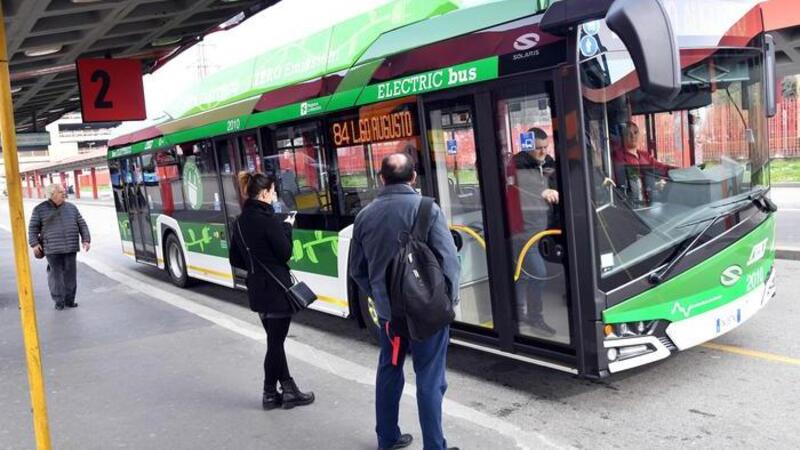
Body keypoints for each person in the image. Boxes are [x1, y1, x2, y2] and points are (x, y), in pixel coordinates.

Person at [350, 153, 460, 450]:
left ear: (381, 178)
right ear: (414, 178)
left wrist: (380, 297)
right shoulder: (428, 209)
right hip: (428, 313)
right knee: (430, 377)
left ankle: (387, 438)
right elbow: (450, 262)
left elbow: (356, 271)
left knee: (390, 368)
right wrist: (449, 301)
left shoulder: (364, 216)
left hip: (390, 318)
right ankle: (434, 446)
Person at [228, 171, 314, 411]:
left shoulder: (241, 221)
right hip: (277, 290)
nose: (275, 195)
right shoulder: (269, 220)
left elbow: (235, 257)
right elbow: (285, 253)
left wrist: (256, 266)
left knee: (275, 341)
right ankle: (268, 392)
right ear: (264, 193)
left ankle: (288, 390)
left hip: (257, 289)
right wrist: (287, 228)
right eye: (274, 191)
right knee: (275, 344)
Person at [507, 127, 559, 336]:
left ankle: (519, 312)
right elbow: (524, 184)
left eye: (546, 147)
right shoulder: (517, 163)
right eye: (538, 148)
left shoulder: (547, 161)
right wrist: (543, 191)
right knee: (538, 273)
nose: (543, 152)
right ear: (528, 146)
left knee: (524, 274)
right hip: (523, 230)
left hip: (544, 225)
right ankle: (534, 317)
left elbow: (557, 180)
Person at [28, 183, 91, 310]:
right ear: (52, 194)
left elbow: (81, 224)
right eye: (61, 192)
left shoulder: (72, 207)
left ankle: (69, 300)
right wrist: (34, 244)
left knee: (70, 275)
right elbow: (33, 228)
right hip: (52, 249)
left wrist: (86, 240)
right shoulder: (39, 209)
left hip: (70, 247)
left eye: (64, 191)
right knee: (56, 276)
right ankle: (59, 301)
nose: (64, 194)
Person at [613, 121, 673, 206]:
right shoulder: (618, 156)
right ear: (623, 136)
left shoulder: (645, 155)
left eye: (635, 132)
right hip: (631, 205)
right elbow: (629, 177)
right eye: (628, 133)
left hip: (650, 202)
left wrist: (682, 171)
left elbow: (661, 168)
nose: (633, 136)